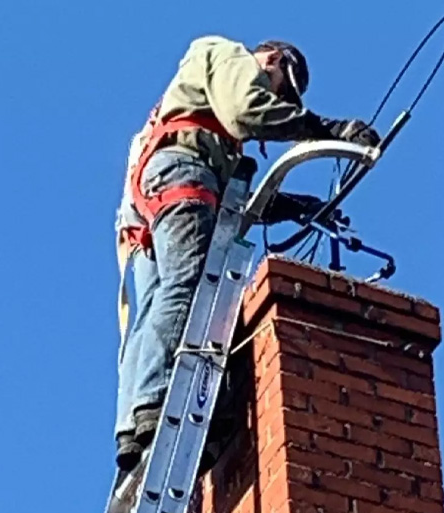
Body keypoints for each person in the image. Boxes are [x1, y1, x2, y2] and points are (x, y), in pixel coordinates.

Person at [113, 36, 379, 471]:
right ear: (275, 61)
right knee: (190, 289)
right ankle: (159, 405)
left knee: (161, 302)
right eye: (282, 91)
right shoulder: (230, 55)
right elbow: (248, 113)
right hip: (180, 178)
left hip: (151, 204)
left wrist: (293, 206)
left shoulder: (201, 108)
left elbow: (236, 200)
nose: (278, 100)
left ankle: (138, 421)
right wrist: (325, 128)